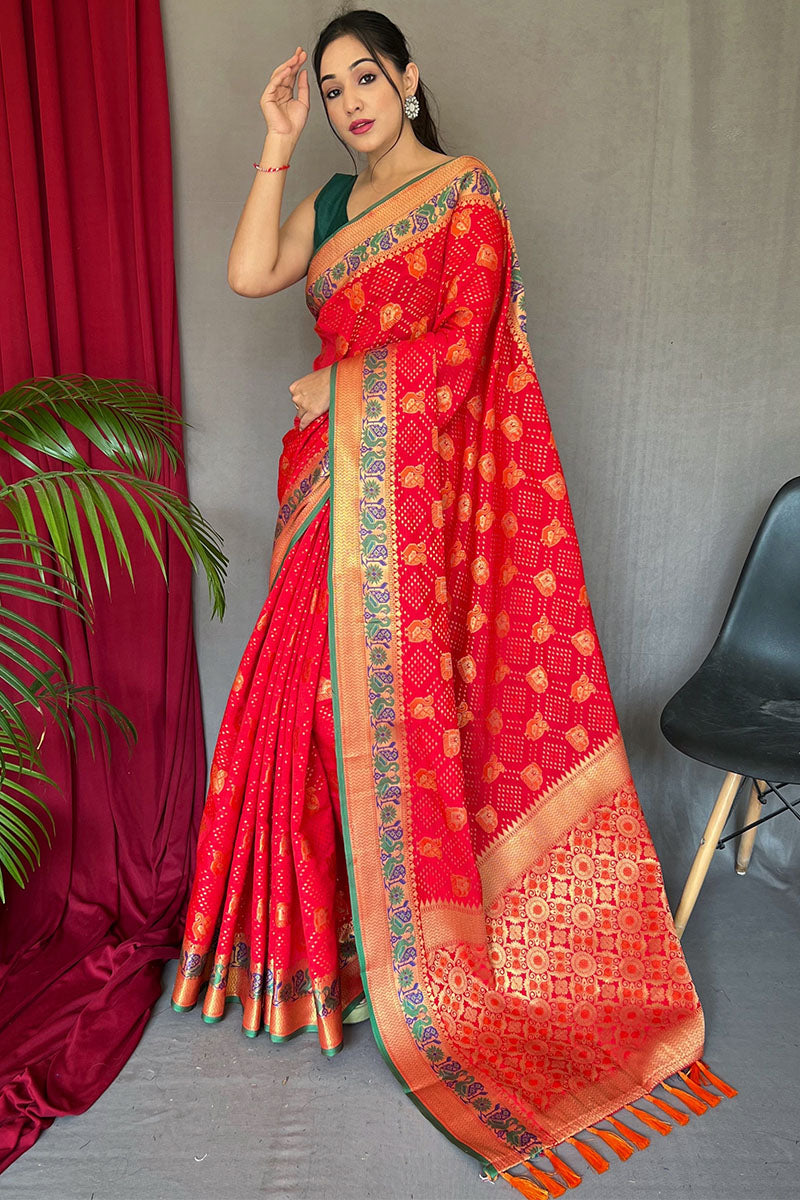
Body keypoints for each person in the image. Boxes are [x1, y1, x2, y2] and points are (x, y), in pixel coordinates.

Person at [171, 8, 736, 1193]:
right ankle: (309, 954)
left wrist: (339, 387)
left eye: (363, 77)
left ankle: (404, 963)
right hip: (321, 494)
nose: (348, 102)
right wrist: (275, 143)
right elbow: (244, 272)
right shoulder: (329, 206)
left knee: (376, 720)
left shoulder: (463, 192)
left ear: (409, 77)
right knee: (298, 707)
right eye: (328, 90)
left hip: (404, 494)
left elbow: (466, 345)